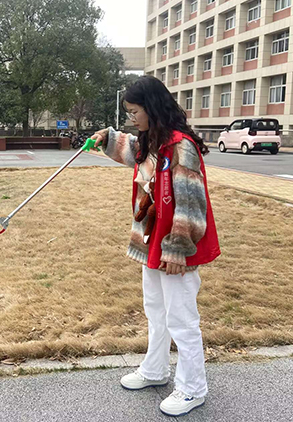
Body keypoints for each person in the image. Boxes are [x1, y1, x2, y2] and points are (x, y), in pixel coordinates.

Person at [91, 76, 220, 417]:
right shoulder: (153, 141)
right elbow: (132, 151)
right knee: (156, 310)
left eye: (135, 111)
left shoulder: (181, 146)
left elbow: (192, 204)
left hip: (175, 247)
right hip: (152, 243)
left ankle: (193, 388)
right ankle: (155, 369)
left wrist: (178, 248)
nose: (132, 118)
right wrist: (107, 138)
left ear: (152, 108)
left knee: (182, 318)